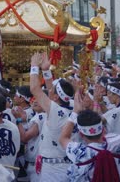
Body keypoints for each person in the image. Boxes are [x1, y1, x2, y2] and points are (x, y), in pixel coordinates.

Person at [60, 102, 120, 181]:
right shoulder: (119, 141)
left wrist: (75, 111)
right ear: (103, 130)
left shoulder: (79, 152)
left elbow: (63, 138)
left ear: (81, 134)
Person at [29, 53, 75, 181]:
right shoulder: (71, 105)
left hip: (54, 170)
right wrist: (45, 70)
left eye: (51, 91)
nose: (48, 90)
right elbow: (53, 89)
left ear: (55, 97)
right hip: (64, 164)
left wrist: (34, 67)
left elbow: (34, 88)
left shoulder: (55, 111)